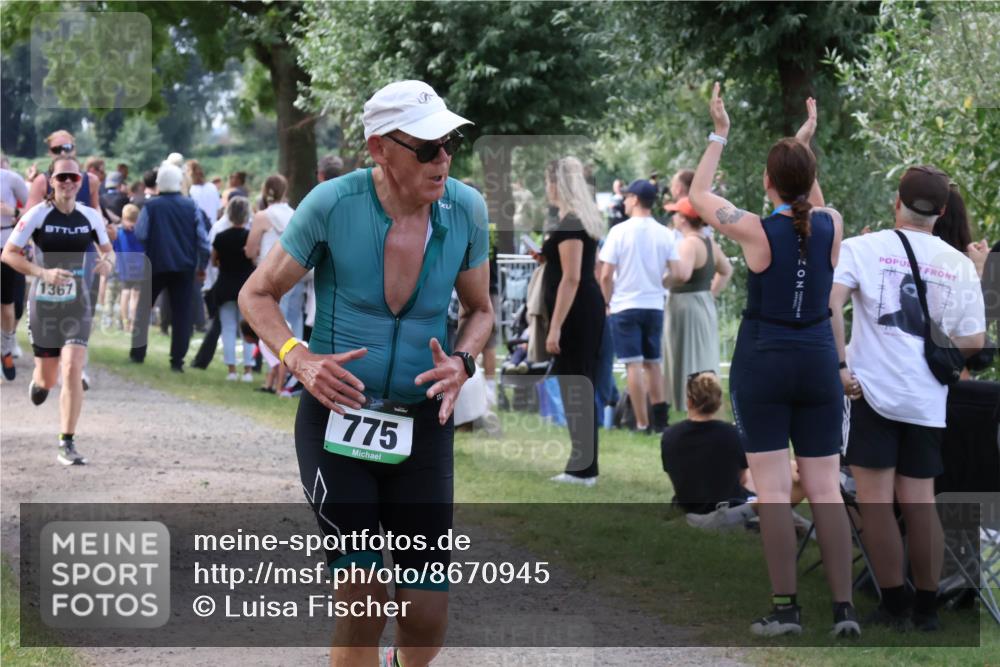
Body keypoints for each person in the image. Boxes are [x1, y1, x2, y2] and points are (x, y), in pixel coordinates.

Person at [239, 79, 492, 667]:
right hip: (337, 421)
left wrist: (464, 361)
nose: (443, 158)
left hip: (423, 424)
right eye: (427, 148)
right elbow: (258, 294)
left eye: (448, 143)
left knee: (426, 613)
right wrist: (296, 357)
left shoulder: (467, 209)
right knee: (363, 594)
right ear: (380, 148)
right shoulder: (331, 203)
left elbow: (480, 310)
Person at [689, 85, 858, 637]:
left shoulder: (755, 232)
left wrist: (720, 131)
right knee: (827, 489)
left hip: (765, 362)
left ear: (767, 182)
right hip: (816, 362)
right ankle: (844, 613)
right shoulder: (831, 223)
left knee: (776, 491)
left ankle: (786, 609)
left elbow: (699, 191)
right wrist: (802, 145)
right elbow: (813, 199)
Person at [830, 165, 986, 631]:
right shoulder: (958, 264)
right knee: (920, 502)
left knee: (875, 502)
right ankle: (928, 609)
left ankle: (894, 603)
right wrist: (936, 356)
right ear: (941, 211)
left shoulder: (862, 248)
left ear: (897, 201)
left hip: (870, 392)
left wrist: (840, 366)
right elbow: (975, 340)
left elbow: (829, 304)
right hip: (926, 399)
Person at [0, 155, 113, 465]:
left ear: (80, 183)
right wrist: (41, 273)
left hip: (78, 302)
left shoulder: (90, 216)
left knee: (72, 367)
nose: (67, 183)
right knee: (49, 379)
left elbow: (108, 252)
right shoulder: (38, 215)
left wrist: (107, 263)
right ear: (51, 182)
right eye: (61, 177)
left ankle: (67, 441)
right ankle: (39, 383)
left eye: (73, 178)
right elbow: (9, 254)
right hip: (44, 304)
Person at [662, 372, 807, 527]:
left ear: (689, 401)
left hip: (689, 505)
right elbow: (742, 479)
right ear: (718, 402)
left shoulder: (669, 435)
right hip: (729, 506)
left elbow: (676, 479)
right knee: (796, 474)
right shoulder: (732, 433)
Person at [542, 156, 607, 485]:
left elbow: (572, 278)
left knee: (576, 386)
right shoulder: (580, 219)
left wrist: (554, 327)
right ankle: (583, 464)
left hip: (575, 313)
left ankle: (583, 469)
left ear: (557, 183)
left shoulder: (571, 223)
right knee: (578, 385)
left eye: (547, 180)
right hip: (585, 309)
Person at [598, 178, 678, 433]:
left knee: (633, 364)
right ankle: (661, 420)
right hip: (654, 304)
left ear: (634, 199)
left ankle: (642, 423)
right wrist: (661, 282)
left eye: (627, 197)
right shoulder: (665, 233)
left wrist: (607, 301)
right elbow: (677, 272)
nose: (624, 201)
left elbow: (605, 274)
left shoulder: (619, 232)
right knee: (653, 363)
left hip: (625, 305)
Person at [129, 163, 210, 371]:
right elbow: (202, 239)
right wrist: (203, 264)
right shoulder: (191, 205)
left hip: (156, 263)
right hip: (185, 266)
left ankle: (137, 353)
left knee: (143, 310)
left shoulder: (151, 206)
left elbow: (141, 233)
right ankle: (177, 361)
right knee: (182, 314)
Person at [662, 197, 732, 407]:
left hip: (685, 304)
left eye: (676, 213)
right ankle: (705, 398)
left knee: (688, 352)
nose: (673, 217)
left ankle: (686, 400)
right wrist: (711, 293)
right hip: (703, 302)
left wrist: (662, 280)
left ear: (683, 219)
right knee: (703, 352)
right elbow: (726, 270)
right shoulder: (709, 243)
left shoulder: (688, 244)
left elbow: (682, 275)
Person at [211, 196, 255, 381]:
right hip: (246, 286)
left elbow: (214, 261)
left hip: (225, 285)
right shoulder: (250, 237)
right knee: (248, 329)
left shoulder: (220, 237)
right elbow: (254, 258)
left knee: (228, 328)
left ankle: (231, 370)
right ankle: (248, 370)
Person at [1, 158, 29, 380]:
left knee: (7, 305)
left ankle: (6, 347)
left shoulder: (10, 179)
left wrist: (13, 211)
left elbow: (33, 211)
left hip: (5, 246)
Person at [113, 204, 145, 333]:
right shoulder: (140, 231)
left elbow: (115, 248)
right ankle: (129, 323)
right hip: (136, 266)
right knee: (131, 294)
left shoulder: (119, 232)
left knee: (128, 293)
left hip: (126, 267)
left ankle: (128, 322)